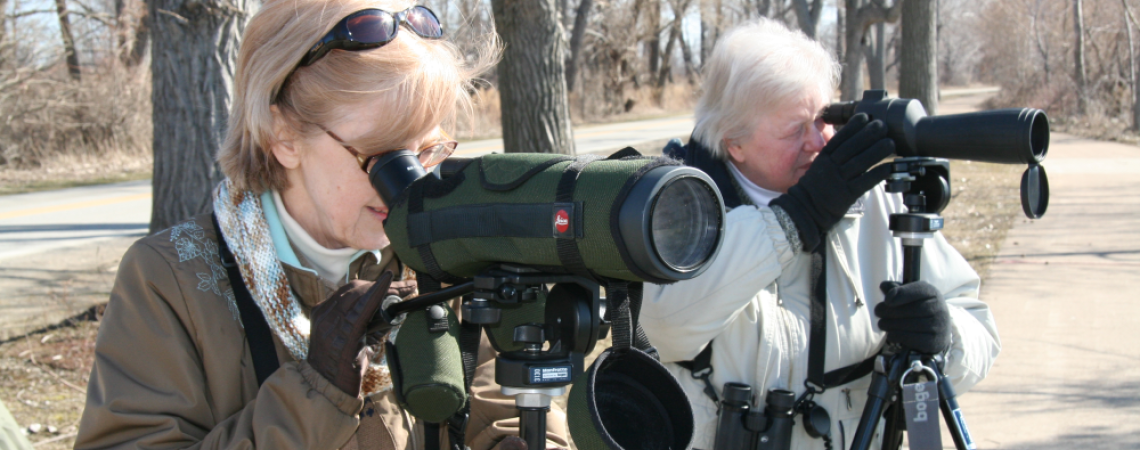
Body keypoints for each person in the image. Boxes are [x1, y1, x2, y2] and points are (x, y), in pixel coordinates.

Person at [74, 0, 569, 449]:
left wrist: (518, 439)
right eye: (381, 158)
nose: (411, 186)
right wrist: (315, 392)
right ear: (283, 135)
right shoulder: (169, 280)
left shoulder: (440, 251)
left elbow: (498, 392)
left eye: (426, 152)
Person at [640, 19, 1000, 450]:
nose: (819, 142)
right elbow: (663, 325)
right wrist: (796, 219)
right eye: (795, 130)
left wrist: (944, 337)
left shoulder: (875, 199)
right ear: (734, 142)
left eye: (824, 120)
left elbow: (979, 330)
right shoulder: (674, 204)